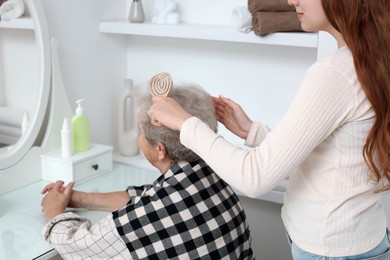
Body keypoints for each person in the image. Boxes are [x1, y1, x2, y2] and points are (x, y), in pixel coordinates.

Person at [147, 1, 390, 259]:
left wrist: (185, 123)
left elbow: (254, 177)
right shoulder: (372, 58)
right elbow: (337, 153)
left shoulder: (336, 73)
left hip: (331, 250)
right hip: (361, 239)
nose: (291, 0)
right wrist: (253, 132)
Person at [41, 83, 254, 259]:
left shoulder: (154, 210)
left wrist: (54, 212)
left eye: (140, 132)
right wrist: (83, 199)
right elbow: (147, 196)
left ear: (160, 150)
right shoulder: (210, 174)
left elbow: (78, 245)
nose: (139, 138)